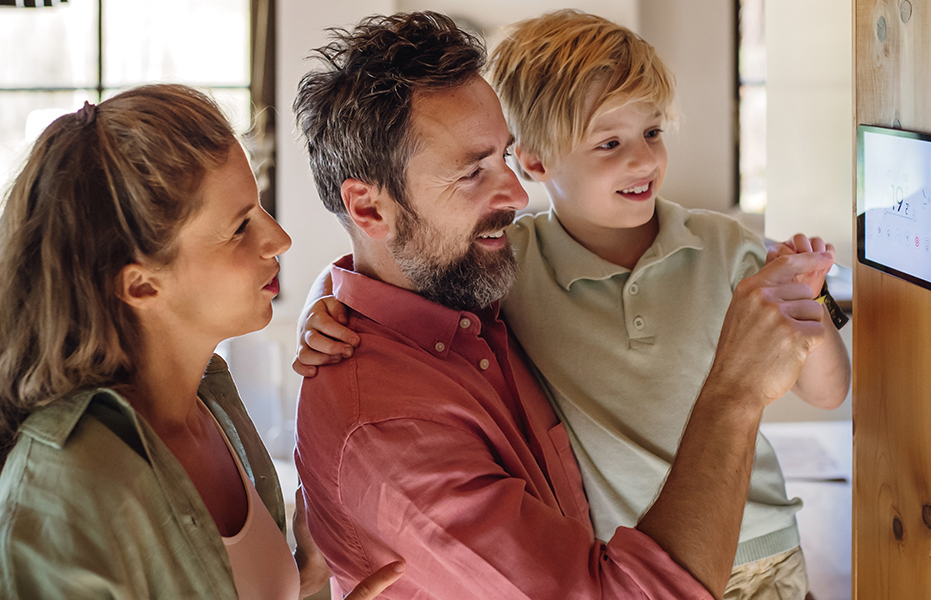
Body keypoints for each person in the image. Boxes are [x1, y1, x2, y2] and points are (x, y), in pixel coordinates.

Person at [296, 11, 851, 599]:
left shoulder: (478, 279)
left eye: (654, 132)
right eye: (472, 171)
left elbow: (826, 386)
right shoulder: (508, 273)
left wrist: (810, 297)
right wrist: (324, 303)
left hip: (763, 547)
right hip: (640, 559)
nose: (513, 194)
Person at [0, 84, 401, 599]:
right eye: (240, 227)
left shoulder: (214, 407)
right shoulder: (67, 478)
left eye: (258, 208)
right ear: (141, 284)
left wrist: (306, 576)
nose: (279, 239)